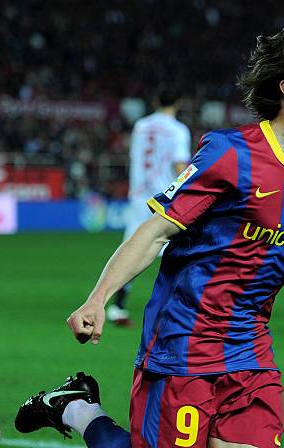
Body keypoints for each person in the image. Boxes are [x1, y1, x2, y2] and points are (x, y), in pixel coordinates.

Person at [16, 21, 284, 448]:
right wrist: (98, 298)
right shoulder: (231, 154)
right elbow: (157, 231)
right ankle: (77, 408)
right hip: (183, 347)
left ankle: (75, 406)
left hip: (251, 353)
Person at [107, 86, 191, 327]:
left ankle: (118, 306)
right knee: (177, 251)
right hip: (164, 200)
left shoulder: (141, 126)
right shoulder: (178, 130)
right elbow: (179, 166)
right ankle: (177, 310)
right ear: (179, 103)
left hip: (138, 196)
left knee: (132, 249)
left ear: (155, 99)